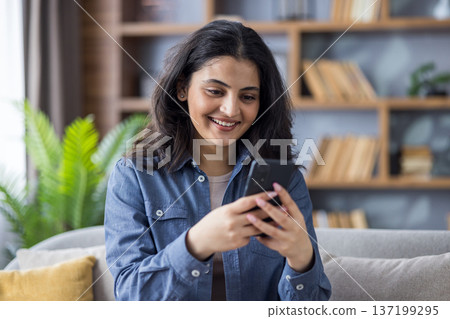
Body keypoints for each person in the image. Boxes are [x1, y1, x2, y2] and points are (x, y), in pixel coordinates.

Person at [104, 20, 331, 301]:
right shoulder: (135, 176)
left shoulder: (284, 180)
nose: (231, 109)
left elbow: (312, 306)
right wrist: (196, 244)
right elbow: (129, 294)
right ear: (182, 89)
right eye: (215, 91)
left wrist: (302, 259)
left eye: (247, 96)